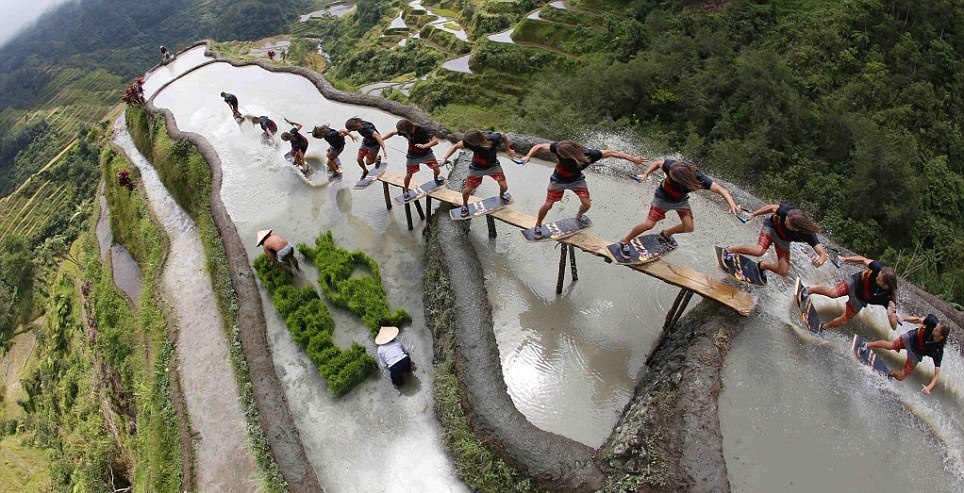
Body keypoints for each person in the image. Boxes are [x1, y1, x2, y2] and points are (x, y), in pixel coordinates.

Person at [521, 140, 642, 239]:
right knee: (548, 204)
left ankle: (579, 215)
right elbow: (539, 146)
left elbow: (611, 153)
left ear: (569, 154)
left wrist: (633, 159)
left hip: (577, 180)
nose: (557, 155)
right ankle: (538, 225)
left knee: (587, 204)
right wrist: (528, 156)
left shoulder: (590, 154)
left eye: (560, 155)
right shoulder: (559, 147)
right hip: (558, 179)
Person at [618, 158, 739, 252]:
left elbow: (721, 190)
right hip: (662, 197)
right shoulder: (672, 166)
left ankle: (665, 234)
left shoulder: (700, 180)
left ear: (682, 179)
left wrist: (732, 204)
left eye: (672, 176)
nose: (668, 174)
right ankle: (625, 241)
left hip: (681, 201)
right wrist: (645, 174)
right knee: (649, 225)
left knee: (689, 227)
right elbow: (658, 163)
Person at [724, 203, 827, 282]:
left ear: (796, 229)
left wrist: (819, 262)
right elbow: (771, 207)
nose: (784, 221)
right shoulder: (787, 212)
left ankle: (762, 266)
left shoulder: (808, 234)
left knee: (783, 271)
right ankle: (730, 249)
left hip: (783, 240)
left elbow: (822, 254)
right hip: (771, 227)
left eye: (787, 224)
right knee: (759, 251)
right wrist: (753, 214)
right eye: (785, 220)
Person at [801, 255, 899, 331]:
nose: (877, 277)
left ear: (886, 286)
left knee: (843, 320)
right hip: (856, 282)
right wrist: (845, 259)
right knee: (833, 293)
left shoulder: (889, 298)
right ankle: (808, 290)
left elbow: (894, 326)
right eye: (878, 275)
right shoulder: (879, 267)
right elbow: (863, 260)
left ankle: (823, 327)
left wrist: (890, 314)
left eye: (879, 279)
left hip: (861, 299)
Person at [440, 129, 515, 218]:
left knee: (504, 186)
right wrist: (444, 158)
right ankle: (464, 205)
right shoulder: (468, 143)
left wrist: (508, 149)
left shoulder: (494, 138)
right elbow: (455, 146)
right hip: (477, 167)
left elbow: (503, 135)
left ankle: (502, 196)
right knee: (468, 189)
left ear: (477, 142)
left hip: (493, 166)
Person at [867, 314, 948, 393]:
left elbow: (937, 375)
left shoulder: (938, 351)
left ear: (941, 337)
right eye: (936, 327)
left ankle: (888, 374)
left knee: (901, 376)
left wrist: (929, 388)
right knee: (890, 345)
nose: (934, 329)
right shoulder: (932, 321)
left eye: (937, 330)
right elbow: (918, 319)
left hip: (917, 353)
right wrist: (904, 319)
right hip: (911, 338)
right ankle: (867, 345)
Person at [383, 119, 443, 193]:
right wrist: (381, 139)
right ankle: (406, 191)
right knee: (409, 174)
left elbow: (436, 141)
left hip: (427, 154)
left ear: (407, 129)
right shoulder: (404, 132)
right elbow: (392, 133)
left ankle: (436, 179)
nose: (401, 133)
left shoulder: (423, 130)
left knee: (436, 169)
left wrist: (425, 146)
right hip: (412, 156)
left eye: (402, 131)